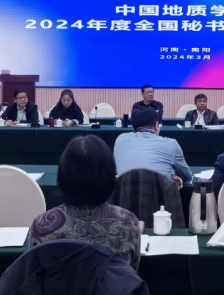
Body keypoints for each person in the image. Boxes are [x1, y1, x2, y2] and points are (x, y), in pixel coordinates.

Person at [30, 136, 141, 269]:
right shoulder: (127, 223)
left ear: (63, 174)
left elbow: (32, 275)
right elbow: (132, 274)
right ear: (110, 176)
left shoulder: (41, 225)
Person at [114, 107, 192, 187]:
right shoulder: (171, 144)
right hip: (160, 194)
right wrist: (169, 174)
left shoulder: (120, 139)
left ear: (133, 127)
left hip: (125, 194)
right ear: (157, 125)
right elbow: (187, 178)